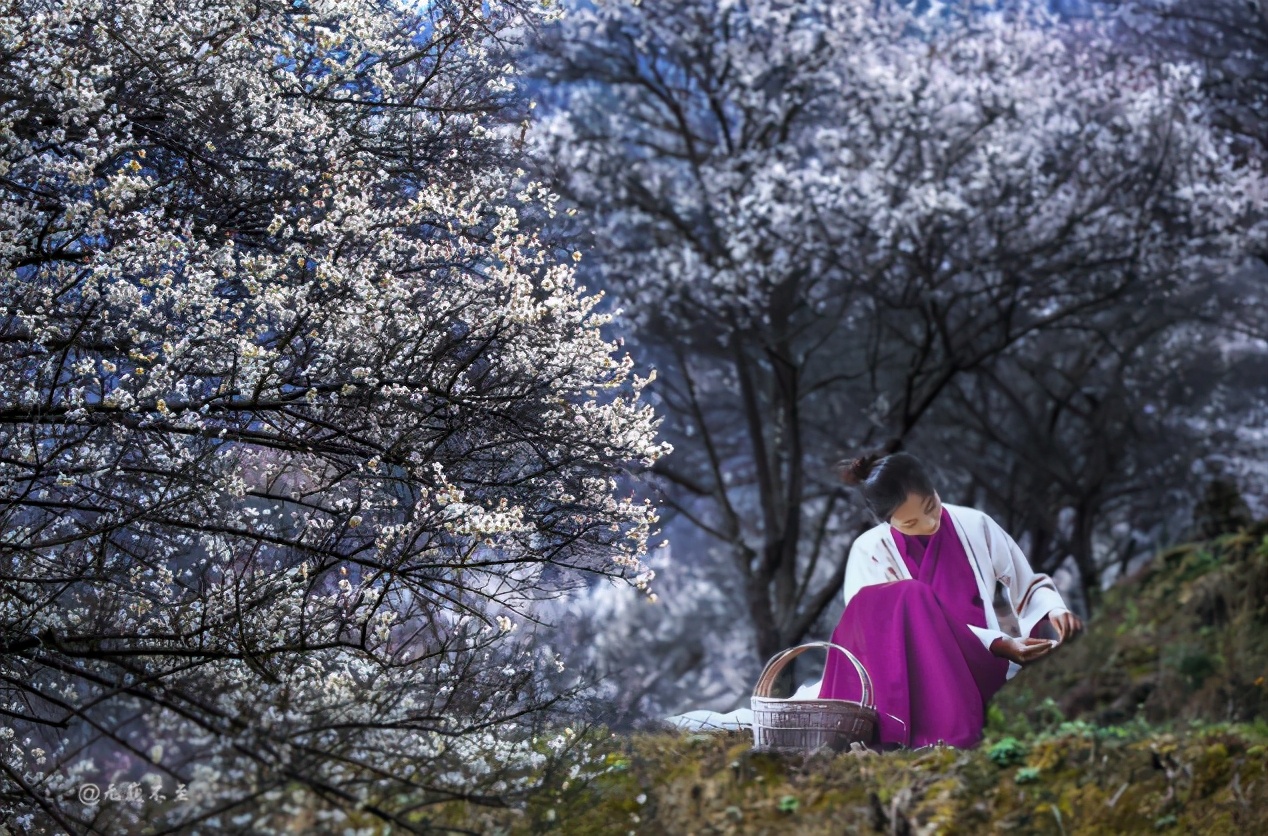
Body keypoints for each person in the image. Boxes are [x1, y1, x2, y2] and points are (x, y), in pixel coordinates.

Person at [818, 441, 1083, 749]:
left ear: (934, 489)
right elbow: (876, 634)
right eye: (911, 523)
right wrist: (998, 643)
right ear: (885, 521)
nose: (930, 524)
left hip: (983, 658)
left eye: (932, 507)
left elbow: (1027, 583)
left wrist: (1053, 609)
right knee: (905, 598)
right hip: (915, 672)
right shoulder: (870, 550)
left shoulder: (975, 524)